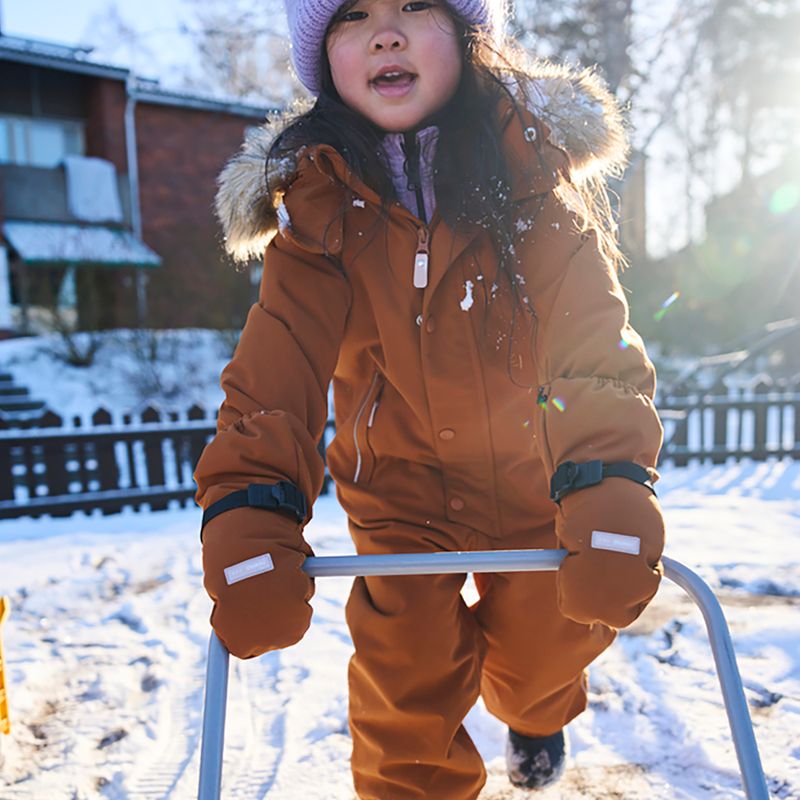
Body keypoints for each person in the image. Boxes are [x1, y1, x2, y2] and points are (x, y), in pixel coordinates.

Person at [194, 0, 666, 796]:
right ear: (323, 60)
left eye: (417, 6)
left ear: (470, 38)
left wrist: (607, 479)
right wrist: (251, 508)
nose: (387, 31)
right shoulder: (316, 215)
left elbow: (595, 346)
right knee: (404, 682)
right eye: (353, 17)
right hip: (399, 498)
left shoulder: (532, 182)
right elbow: (277, 369)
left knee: (545, 647)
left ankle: (534, 709)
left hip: (537, 483)